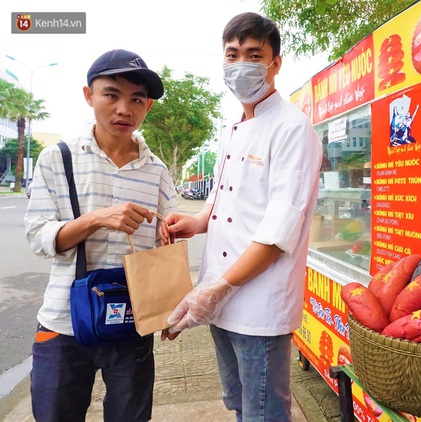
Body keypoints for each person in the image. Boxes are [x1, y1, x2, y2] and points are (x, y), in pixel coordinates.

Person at [160, 12, 322, 422]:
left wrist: (216, 290)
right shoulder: (231, 129)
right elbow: (223, 198)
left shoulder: (292, 128)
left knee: (263, 412)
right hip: (219, 293)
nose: (241, 64)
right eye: (233, 55)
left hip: (258, 303)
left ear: (275, 63)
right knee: (236, 401)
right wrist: (196, 221)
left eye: (254, 54)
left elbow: (276, 231)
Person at [24, 49, 177, 422]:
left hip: (131, 321)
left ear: (148, 108)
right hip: (63, 324)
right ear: (88, 96)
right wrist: (95, 219)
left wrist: (170, 307)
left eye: (136, 99)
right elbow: (39, 236)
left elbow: (168, 242)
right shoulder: (56, 159)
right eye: (112, 94)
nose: (124, 108)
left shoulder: (156, 171)